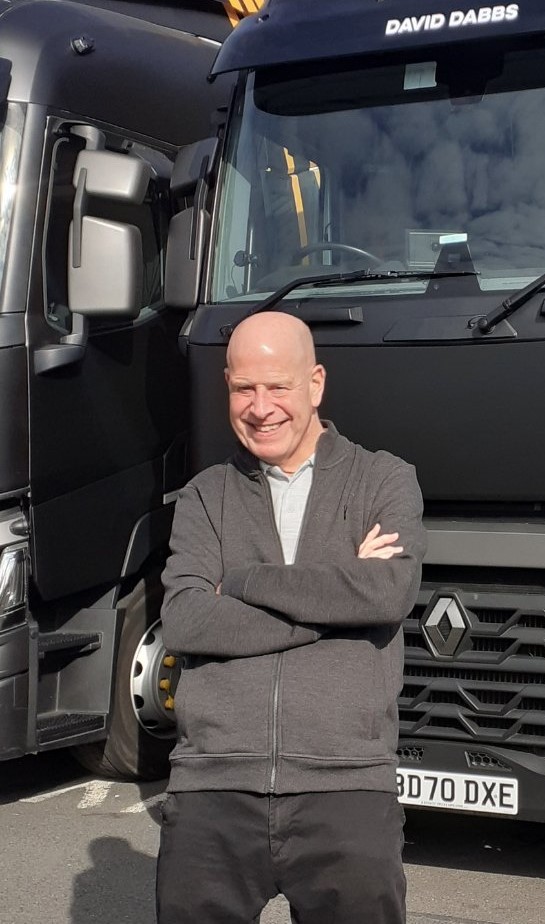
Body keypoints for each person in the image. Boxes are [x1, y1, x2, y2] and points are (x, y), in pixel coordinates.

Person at [156, 310, 425, 924]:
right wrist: (339, 600)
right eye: (243, 388)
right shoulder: (204, 496)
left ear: (315, 384)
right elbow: (188, 620)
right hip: (212, 788)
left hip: (347, 784)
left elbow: (386, 592)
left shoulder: (383, 479)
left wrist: (246, 583)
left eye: (277, 386)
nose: (259, 406)